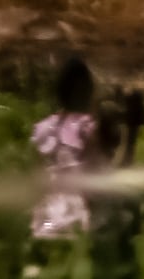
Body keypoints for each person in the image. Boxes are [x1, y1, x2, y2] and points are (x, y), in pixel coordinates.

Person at [27, 58, 102, 241]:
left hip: (47, 215)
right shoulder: (87, 128)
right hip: (75, 215)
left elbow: (36, 175)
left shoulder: (43, 128)